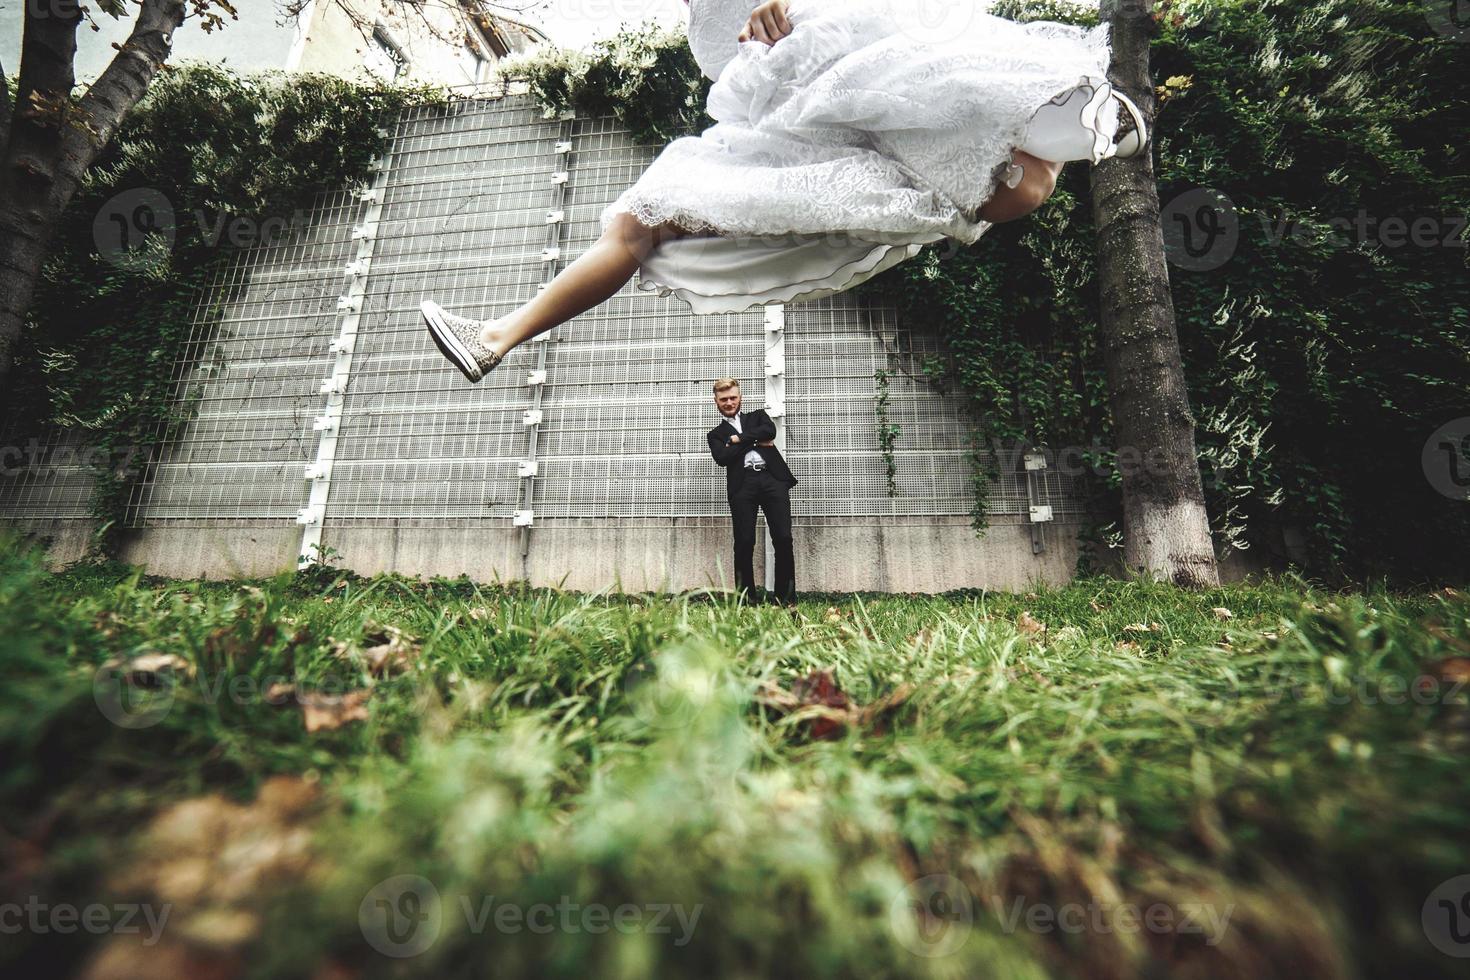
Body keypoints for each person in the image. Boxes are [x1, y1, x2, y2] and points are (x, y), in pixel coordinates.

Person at [421, 0, 1148, 381]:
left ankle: (1073, 120)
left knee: (1024, 180)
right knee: (639, 219)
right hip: (813, 143)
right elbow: (745, 88)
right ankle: (494, 339)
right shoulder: (711, 25)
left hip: (878, 81)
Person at [707, 378, 797, 605]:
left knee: (784, 538)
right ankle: (746, 600)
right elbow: (722, 458)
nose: (729, 402)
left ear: (740, 398)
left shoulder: (757, 417)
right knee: (745, 541)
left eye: (733, 397)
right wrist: (755, 441)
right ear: (716, 401)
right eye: (724, 399)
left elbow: (770, 431)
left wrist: (737, 440)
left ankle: (785, 598)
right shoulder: (716, 434)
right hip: (743, 485)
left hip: (772, 479)